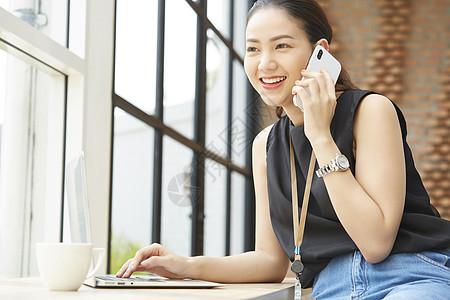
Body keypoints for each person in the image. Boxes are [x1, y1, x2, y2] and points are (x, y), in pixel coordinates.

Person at [116, 0, 450, 299]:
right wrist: (185, 265)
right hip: (332, 290)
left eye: (282, 46)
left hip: (411, 277)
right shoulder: (265, 147)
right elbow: (271, 261)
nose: (265, 63)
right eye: (253, 49)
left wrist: (320, 135)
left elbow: (376, 244)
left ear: (319, 52)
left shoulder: (371, 111)